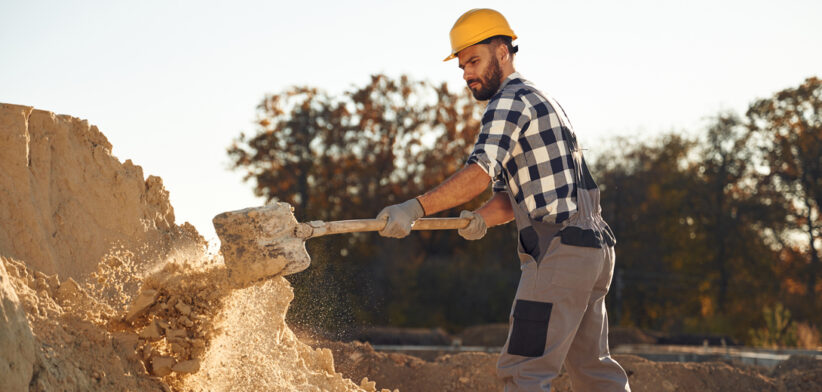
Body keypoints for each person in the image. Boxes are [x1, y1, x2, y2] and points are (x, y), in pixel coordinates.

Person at [376, 8, 631, 392]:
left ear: (503, 52)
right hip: (591, 253)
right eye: (462, 67)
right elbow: (512, 199)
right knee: (595, 373)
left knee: (524, 373)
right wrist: (480, 218)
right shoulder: (540, 99)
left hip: (559, 254)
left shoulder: (509, 101)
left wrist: (414, 208)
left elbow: (479, 171)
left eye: (474, 61)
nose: (467, 74)